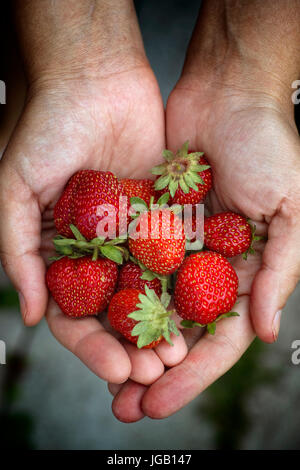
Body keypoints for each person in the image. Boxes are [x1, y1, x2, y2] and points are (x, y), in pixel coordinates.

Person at [0, 0, 300, 423]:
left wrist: (251, 89)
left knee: (20, 84)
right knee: (23, 80)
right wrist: (69, 72)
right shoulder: (142, 235)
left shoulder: (152, 237)